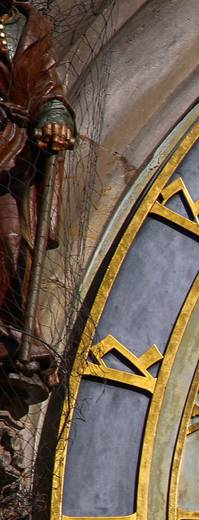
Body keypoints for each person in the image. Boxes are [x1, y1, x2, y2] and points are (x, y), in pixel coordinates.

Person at [0, 0, 73, 379]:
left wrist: (54, 118)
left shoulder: (29, 27)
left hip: (12, 151)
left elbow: (47, 89)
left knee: (18, 242)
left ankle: (13, 335)